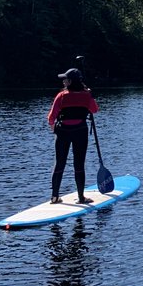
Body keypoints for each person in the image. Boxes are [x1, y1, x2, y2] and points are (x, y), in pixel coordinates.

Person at [46, 67, 99, 204]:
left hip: (63, 132)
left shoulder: (61, 96)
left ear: (71, 81)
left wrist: (54, 128)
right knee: (79, 164)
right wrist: (90, 95)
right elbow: (94, 110)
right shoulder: (87, 95)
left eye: (66, 79)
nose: (63, 81)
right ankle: (81, 198)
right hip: (80, 131)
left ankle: (54, 197)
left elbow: (51, 118)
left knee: (59, 164)